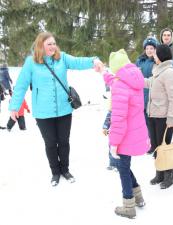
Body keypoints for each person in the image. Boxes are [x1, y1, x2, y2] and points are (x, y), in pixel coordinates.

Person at [8, 32, 103, 186]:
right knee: (51, 143)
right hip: (43, 113)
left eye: (54, 43)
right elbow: (21, 86)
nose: (53, 46)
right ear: (41, 45)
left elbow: (79, 62)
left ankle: (65, 170)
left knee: (64, 142)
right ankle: (55, 172)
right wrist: (14, 106)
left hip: (64, 110)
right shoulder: (31, 63)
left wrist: (94, 60)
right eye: (49, 44)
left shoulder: (62, 58)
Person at [101, 49, 150, 219]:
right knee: (125, 166)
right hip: (135, 133)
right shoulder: (133, 78)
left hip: (125, 136)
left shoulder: (120, 86)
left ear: (117, 69)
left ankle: (129, 205)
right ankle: (139, 197)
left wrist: (114, 143)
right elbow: (113, 79)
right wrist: (103, 72)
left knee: (122, 169)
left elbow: (119, 118)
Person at [144, 44, 173, 189]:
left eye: (156, 53)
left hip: (164, 118)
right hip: (153, 114)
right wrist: (133, 79)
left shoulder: (170, 73)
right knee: (155, 146)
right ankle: (159, 172)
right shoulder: (158, 70)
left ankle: (168, 174)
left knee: (164, 147)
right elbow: (149, 83)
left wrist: (172, 118)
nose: (153, 55)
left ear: (162, 55)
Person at [135, 36, 157, 154]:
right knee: (141, 121)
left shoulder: (157, 61)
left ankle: (153, 144)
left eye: (152, 48)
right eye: (147, 48)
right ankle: (143, 143)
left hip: (152, 95)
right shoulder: (140, 61)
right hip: (140, 95)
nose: (149, 50)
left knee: (151, 122)